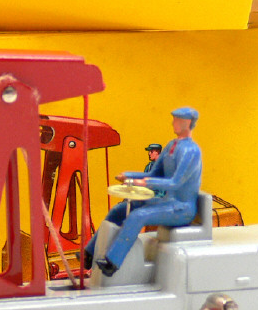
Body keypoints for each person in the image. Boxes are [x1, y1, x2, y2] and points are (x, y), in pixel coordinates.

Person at [84, 107, 202, 276]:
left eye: (176, 120)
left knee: (138, 216)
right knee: (119, 209)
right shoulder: (171, 145)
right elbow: (154, 174)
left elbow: (175, 183)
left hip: (181, 209)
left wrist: (144, 183)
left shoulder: (191, 151)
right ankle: (89, 253)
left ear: (187, 122)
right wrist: (129, 176)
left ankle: (112, 263)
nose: (173, 123)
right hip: (166, 202)